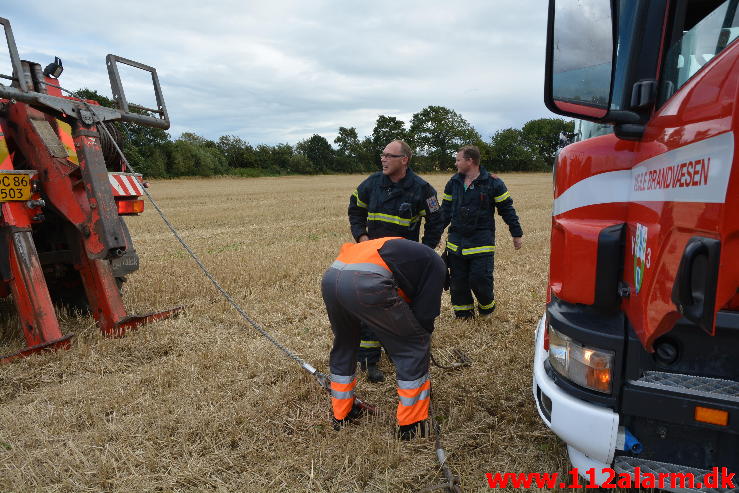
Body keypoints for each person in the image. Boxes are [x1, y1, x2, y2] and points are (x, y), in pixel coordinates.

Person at [321, 237, 446, 439]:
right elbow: (424, 319)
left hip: (331, 278)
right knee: (413, 346)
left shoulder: (407, 254)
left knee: (345, 343)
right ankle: (412, 424)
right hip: (364, 282)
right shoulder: (437, 265)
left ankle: (341, 413)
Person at [348, 140, 443, 383]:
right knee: (369, 306)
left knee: (401, 310)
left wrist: (424, 251)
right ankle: (369, 361)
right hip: (373, 257)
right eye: (383, 155)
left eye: (389, 155)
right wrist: (362, 237)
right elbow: (355, 209)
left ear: (404, 160)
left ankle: (398, 352)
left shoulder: (423, 189)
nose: (383, 159)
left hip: (403, 263)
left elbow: (436, 221)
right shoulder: (371, 184)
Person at [440, 145, 523, 319]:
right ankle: (464, 315)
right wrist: (435, 235)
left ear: (470, 161)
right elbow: (445, 212)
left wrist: (516, 233)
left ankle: (487, 310)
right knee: (458, 283)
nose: (455, 163)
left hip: (481, 243)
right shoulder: (453, 183)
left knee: (480, 280)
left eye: (458, 160)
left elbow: (506, 209)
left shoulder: (493, 183)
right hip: (456, 244)